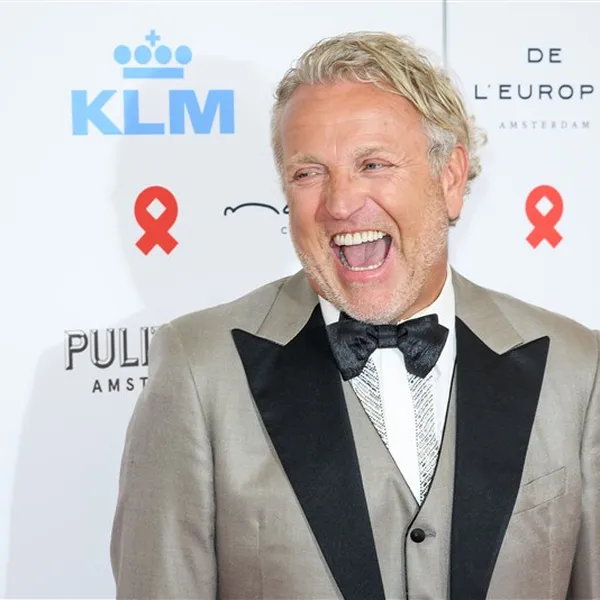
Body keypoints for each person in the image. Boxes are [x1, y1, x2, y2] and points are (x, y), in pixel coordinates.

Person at [110, 32, 599, 599]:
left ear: (449, 178)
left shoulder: (576, 369)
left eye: (373, 164)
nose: (340, 203)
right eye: (308, 173)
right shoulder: (199, 370)